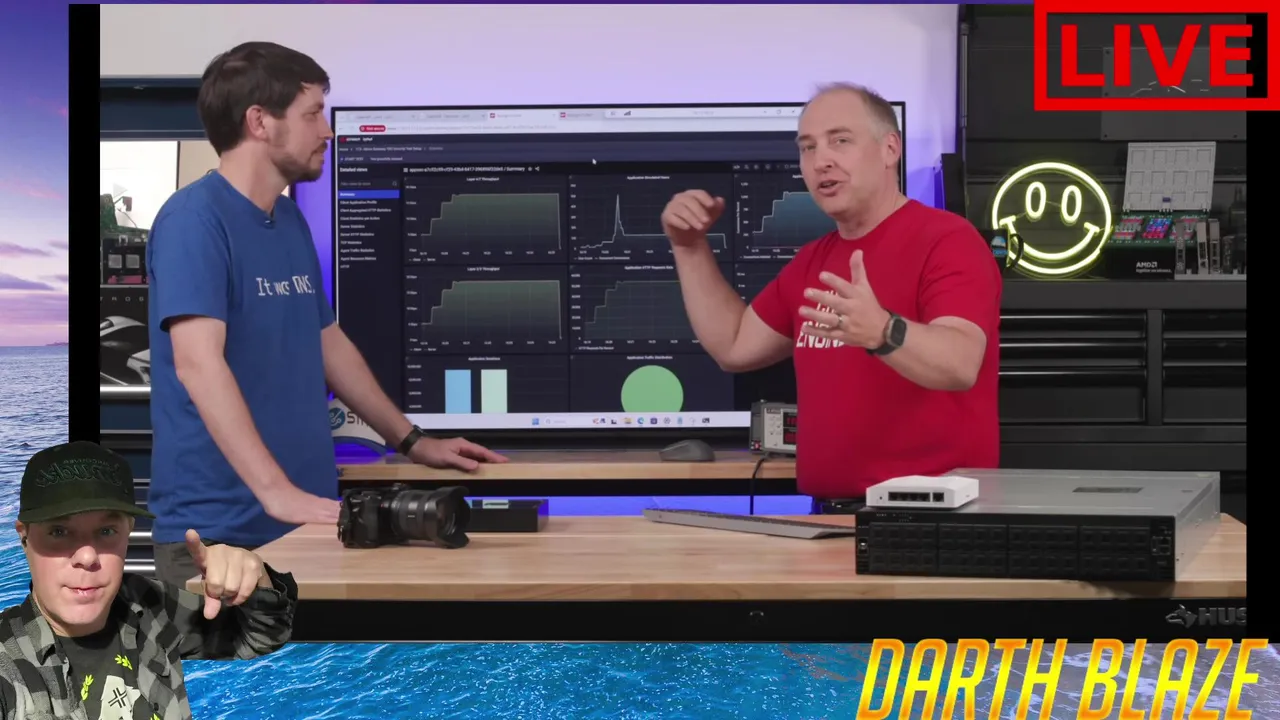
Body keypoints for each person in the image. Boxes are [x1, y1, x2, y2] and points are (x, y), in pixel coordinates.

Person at [145, 41, 507, 587]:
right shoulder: (193, 221)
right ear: (260, 122)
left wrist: (412, 441)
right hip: (219, 537)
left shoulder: (288, 219)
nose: (328, 132)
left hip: (306, 520)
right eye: (312, 114)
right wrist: (276, 492)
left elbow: (327, 342)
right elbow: (198, 364)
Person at [661, 82, 1002, 512]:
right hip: (831, 515)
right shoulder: (813, 261)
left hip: (933, 521)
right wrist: (689, 248)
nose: (820, 160)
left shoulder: (948, 240)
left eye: (840, 140)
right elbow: (733, 345)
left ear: (890, 149)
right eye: (807, 147)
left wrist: (883, 331)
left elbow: (960, 362)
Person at [0, 441, 297, 719]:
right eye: (59, 532)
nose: (87, 556)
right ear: (25, 537)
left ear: (128, 531)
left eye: (106, 531)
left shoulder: (148, 604)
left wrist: (255, 577)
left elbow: (259, 638)